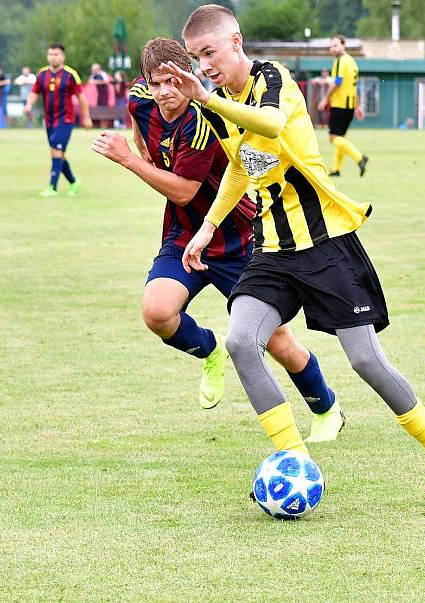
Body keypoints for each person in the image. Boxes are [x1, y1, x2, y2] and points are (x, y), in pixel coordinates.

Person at [164, 4, 425, 509]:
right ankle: (296, 463)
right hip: (273, 251)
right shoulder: (218, 101)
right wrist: (208, 227)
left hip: (326, 245)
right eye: (197, 58)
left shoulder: (271, 78)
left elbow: (271, 123)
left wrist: (208, 102)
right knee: (241, 341)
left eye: (209, 53)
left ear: (235, 42)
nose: (204, 66)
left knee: (367, 362)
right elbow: (243, 165)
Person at [91, 37, 343, 441]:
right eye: (156, 83)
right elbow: (141, 132)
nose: (164, 92)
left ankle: (326, 407)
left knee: (278, 343)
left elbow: (184, 191)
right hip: (183, 234)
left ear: (186, 75)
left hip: (234, 237)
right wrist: (141, 149)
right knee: (157, 312)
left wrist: (129, 159)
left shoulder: (203, 121)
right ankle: (210, 349)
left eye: (172, 81)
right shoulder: (140, 99)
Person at [25, 43, 92, 197]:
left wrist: (86, 117)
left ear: (62, 56)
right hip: (49, 121)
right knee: (58, 153)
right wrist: (29, 104)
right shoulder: (42, 74)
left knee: (56, 151)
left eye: (56, 54)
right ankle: (74, 182)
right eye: (50, 54)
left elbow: (81, 98)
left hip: (65, 120)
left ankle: (52, 187)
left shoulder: (70, 75)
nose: (52, 57)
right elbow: (34, 92)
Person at [317, 35, 369, 177]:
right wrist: (357, 106)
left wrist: (325, 99)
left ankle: (360, 158)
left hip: (339, 105)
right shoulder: (352, 62)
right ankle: (336, 169)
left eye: (335, 45)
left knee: (334, 138)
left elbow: (338, 82)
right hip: (350, 106)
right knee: (341, 137)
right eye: (331, 46)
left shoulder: (341, 61)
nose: (332, 49)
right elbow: (355, 86)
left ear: (343, 45)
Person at [89, 63, 113, 128]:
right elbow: (90, 81)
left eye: (93, 69)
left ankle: (104, 125)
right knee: (99, 110)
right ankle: (101, 125)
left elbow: (107, 81)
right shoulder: (94, 75)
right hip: (99, 96)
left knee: (104, 110)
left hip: (104, 95)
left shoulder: (103, 74)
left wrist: (97, 82)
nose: (92, 71)